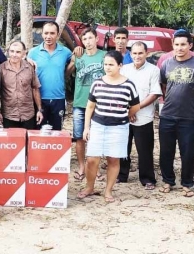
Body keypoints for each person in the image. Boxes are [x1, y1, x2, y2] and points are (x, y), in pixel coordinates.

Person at [77, 51, 140, 203]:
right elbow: (90, 106)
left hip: (119, 128)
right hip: (98, 126)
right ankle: (89, 187)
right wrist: (86, 128)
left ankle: (108, 191)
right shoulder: (97, 83)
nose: (107, 67)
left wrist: (123, 115)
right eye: (105, 64)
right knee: (92, 159)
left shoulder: (128, 85)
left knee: (113, 160)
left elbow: (135, 106)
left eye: (111, 64)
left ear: (120, 65)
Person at [159, 29, 194, 197]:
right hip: (167, 115)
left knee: (188, 152)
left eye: (183, 44)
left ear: (190, 45)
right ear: (173, 45)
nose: (179, 48)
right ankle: (168, 181)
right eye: (176, 44)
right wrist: (169, 100)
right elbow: (163, 86)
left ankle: (187, 183)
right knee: (166, 152)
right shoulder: (167, 64)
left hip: (188, 117)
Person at [117, 42, 162, 188]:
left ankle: (148, 178)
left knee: (145, 150)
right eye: (134, 53)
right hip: (124, 115)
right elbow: (120, 91)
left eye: (140, 53)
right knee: (123, 148)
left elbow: (154, 93)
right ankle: (122, 175)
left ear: (146, 53)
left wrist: (135, 109)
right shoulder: (124, 70)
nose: (137, 56)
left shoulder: (153, 70)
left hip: (144, 117)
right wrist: (128, 109)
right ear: (130, 54)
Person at [66, 27, 106, 181]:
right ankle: (82, 167)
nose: (88, 42)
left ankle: (94, 168)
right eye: (84, 39)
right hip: (80, 102)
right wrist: (73, 60)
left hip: (100, 104)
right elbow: (67, 74)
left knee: (96, 137)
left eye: (90, 38)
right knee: (79, 137)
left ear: (96, 39)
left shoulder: (104, 56)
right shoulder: (79, 56)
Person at [28, 21, 72, 130]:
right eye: (46, 33)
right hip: (39, 99)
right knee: (38, 132)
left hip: (58, 98)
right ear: (42, 34)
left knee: (56, 132)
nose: (48, 36)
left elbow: (74, 65)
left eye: (52, 33)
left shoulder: (65, 52)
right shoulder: (33, 52)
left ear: (57, 34)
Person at [0, 41, 43, 129]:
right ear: (8, 52)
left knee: (27, 141)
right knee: (11, 142)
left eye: (18, 52)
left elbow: (35, 88)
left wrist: (39, 110)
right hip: (9, 115)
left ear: (24, 53)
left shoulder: (29, 67)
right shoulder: (1, 69)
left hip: (28, 115)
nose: (14, 54)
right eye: (12, 51)